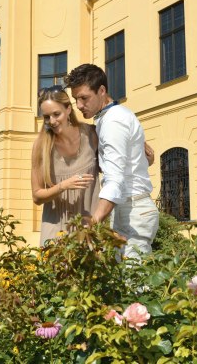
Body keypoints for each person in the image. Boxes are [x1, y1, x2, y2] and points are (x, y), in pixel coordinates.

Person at [65, 64, 160, 260]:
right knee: (130, 282)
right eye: (76, 100)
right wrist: (144, 162)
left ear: (101, 91)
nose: (80, 105)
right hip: (130, 208)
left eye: (84, 98)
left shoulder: (112, 122)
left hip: (132, 211)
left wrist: (93, 222)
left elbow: (115, 179)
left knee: (134, 285)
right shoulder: (113, 116)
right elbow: (125, 165)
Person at [31, 85, 99, 244]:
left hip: (91, 226)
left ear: (68, 109)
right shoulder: (41, 146)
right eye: (46, 117)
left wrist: (138, 143)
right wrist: (63, 186)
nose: (52, 122)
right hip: (56, 230)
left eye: (56, 114)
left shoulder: (92, 134)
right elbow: (36, 195)